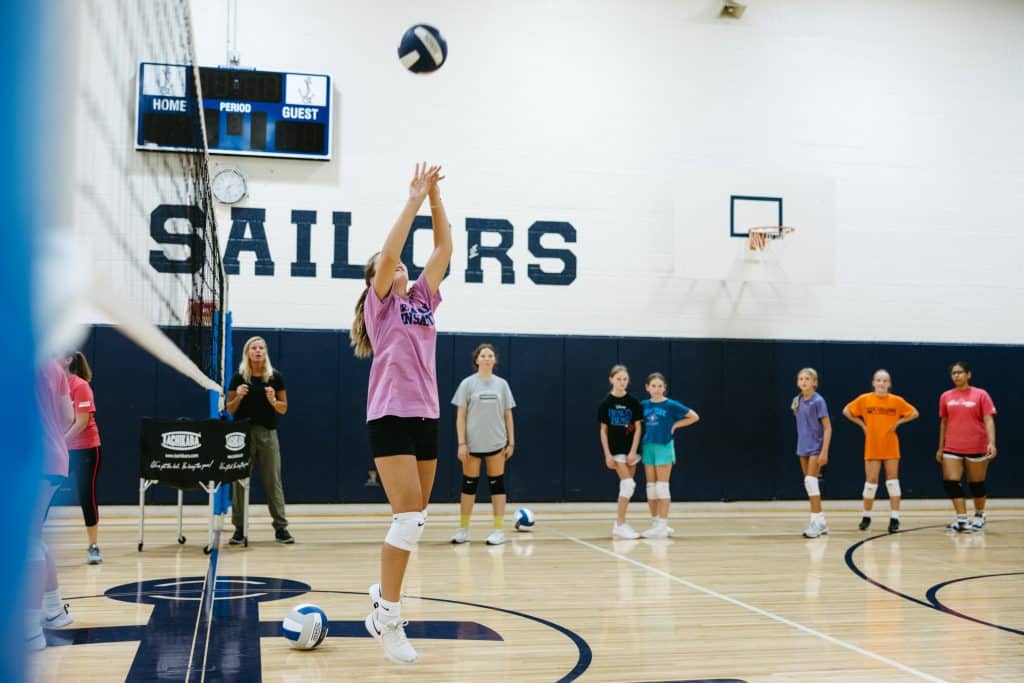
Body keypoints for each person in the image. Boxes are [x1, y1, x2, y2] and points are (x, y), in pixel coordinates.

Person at [350, 162, 449, 665]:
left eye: (404, 267)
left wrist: (435, 197)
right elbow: (391, 253)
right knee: (409, 519)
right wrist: (412, 197)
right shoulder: (383, 305)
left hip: (427, 415)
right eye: (387, 270)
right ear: (376, 283)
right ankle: (386, 616)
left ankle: (381, 595)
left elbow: (443, 250)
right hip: (389, 414)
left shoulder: (423, 300)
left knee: (413, 521)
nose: (400, 267)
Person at [226, 336, 292, 544]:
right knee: (239, 481)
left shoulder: (275, 378)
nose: (258, 351)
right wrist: (238, 396)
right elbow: (230, 409)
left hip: (267, 434)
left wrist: (273, 400)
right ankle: (239, 529)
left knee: (273, 481)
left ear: (265, 352)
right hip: (242, 435)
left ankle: (281, 528)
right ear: (247, 352)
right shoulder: (238, 378)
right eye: (254, 348)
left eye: (261, 348)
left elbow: (283, 409)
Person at [28, 360, 75, 651]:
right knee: (36, 538)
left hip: (31, 462)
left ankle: (30, 630)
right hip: (55, 459)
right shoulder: (53, 366)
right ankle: (54, 610)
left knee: (27, 541)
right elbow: (68, 415)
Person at [450, 344, 516, 546]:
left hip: (497, 442)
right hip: (472, 445)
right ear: (476, 359)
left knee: (497, 485)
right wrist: (461, 443)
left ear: (494, 360)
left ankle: (498, 530)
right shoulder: (467, 384)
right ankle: (463, 529)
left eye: (490, 355)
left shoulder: (502, 385)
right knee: (468, 486)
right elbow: (460, 416)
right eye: (483, 355)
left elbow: (508, 415)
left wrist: (511, 442)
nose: (487, 358)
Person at [842, 369, 919, 533]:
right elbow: (846, 411)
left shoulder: (896, 401)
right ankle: (866, 515)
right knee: (871, 482)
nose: (881, 383)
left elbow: (914, 413)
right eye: (878, 380)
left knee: (892, 481)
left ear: (889, 384)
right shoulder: (865, 399)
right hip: (872, 444)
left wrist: (899, 422)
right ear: (873, 383)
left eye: (885, 381)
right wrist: (862, 424)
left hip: (891, 444)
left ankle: (895, 517)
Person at [936, 361, 997, 532]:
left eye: (960, 372)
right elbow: (944, 422)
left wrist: (991, 443)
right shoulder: (946, 396)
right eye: (954, 373)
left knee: (976, 484)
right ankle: (962, 519)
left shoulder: (981, 395)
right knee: (951, 482)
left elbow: (988, 419)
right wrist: (941, 447)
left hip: (976, 445)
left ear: (968, 374)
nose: (956, 376)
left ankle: (979, 515)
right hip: (952, 446)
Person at [639, 372, 699, 539]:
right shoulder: (643, 405)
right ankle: (656, 523)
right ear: (647, 388)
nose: (657, 389)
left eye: (660, 386)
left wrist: (675, 425)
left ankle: (663, 525)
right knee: (651, 489)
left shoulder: (671, 405)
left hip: (664, 447)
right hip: (648, 447)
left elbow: (694, 417)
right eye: (653, 386)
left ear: (664, 388)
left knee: (661, 487)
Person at [62, 351, 103, 564]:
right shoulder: (53, 386)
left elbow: (81, 422)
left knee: (86, 496)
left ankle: (93, 546)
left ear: (68, 360)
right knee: (44, 491)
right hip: (62, 449)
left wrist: (60, 441)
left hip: (86, 449)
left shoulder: (80, 386)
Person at [597, 364, 644, 540]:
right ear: (611, 379)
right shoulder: (605, 404)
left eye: (625, 379)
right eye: (618, 379)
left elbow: (638, 428)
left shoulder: (633, 402)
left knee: (627, 487)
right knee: (628, 485)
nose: (622, 382)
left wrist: (633, 451)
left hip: (631, 450)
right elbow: (603, 431)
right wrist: (607, 454)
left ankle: (620, 523)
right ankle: (620, 524)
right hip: (615, 450)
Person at [791, 368, 832, 539]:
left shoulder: (818, 401)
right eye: (801, 378)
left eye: (807, 378)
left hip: (816, 447)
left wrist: (824, 451)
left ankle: (815, 522)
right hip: (803, 447)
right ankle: (820, 521)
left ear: (814, 382)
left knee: (810, 480)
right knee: (810, 485)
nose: (804, 381)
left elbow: (828, 427)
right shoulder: (796, 401)